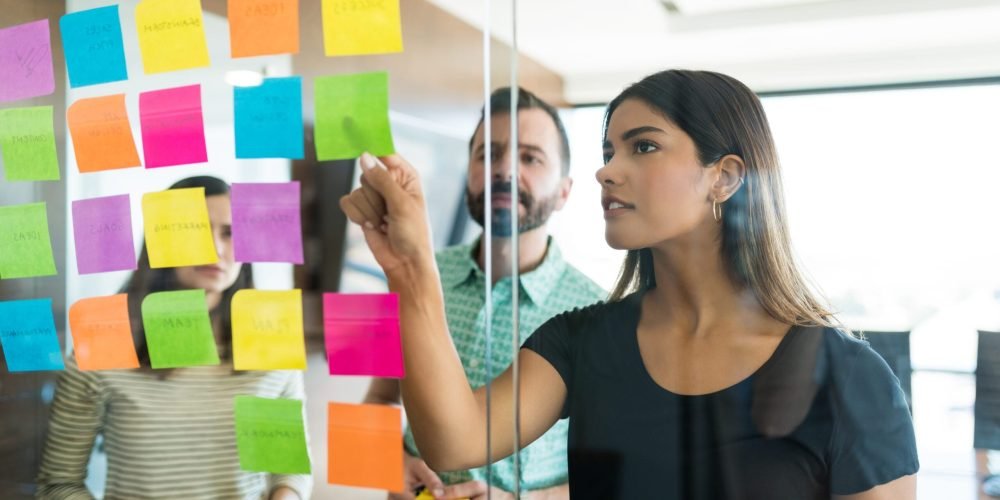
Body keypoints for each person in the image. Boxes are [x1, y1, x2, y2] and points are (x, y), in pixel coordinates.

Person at [341, 70, 919, 499]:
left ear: (724, 178)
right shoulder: (579, 340)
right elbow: (451, 440)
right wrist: (409, 271)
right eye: (608, 150)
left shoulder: (851, 379)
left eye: (643, 146)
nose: (607, 170)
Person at [363, 87, 605, 500]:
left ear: (565, 191)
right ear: (469, 175)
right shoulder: (413, 274)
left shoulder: (598, 314)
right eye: (487, 155)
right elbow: (379, 397)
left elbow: (610, 470)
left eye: (530, 157)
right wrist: (389, 460)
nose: (504, 170)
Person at [37, 176, 311, 500]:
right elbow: (58, 484)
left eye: (230, 232)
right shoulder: (102, 347)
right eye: (195, 229)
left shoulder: (271, 341)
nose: (215, 248)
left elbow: (290, 470)